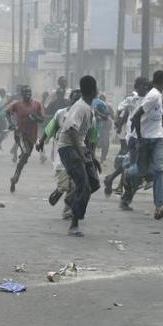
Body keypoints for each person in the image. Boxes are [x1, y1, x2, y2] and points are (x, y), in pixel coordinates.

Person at [123, 70, 163, 219]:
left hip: (158, 138)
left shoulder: (157, 96)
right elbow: (136, 116)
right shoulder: (154, 95)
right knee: (141, 170)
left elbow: (156, 113)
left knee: (159, 169)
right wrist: (141, 138)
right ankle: (127, 173)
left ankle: (159, 207)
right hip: (146, 139)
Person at [57, 76, 100, 236]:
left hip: (79, 147)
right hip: (68, 148)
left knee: (94, 183)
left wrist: (91, 157)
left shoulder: (88, 108)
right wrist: (81, 155)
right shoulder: (80, 107)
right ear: (94, 90)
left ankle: (70, 199)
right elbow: (72, 130)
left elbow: (84, 136)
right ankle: (74, 224)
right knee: (84, 186)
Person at [36, 88, 83, 219]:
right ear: (70, 100)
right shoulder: (60, 114)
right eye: (74, 99)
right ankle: (59, 191)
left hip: (77, 155)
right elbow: (50, 129)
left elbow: (91, 135)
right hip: (61, 155)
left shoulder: (86, 115)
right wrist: (41, 142)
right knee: (64, 185)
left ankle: (67, 211)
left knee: (74, 186)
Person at [6, 85, 44, 192]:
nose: (28, 94)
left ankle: (15, 178)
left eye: (29, 92)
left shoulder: (36, 104)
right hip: (20, 134)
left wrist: (35, 117)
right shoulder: (17, 104)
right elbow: (7, 113)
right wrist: (11, 123)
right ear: (21, 94)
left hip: (32, 135)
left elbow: (42, 119)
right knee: (26, 152)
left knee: (25, 157)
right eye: (25, 92)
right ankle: (16, 175)